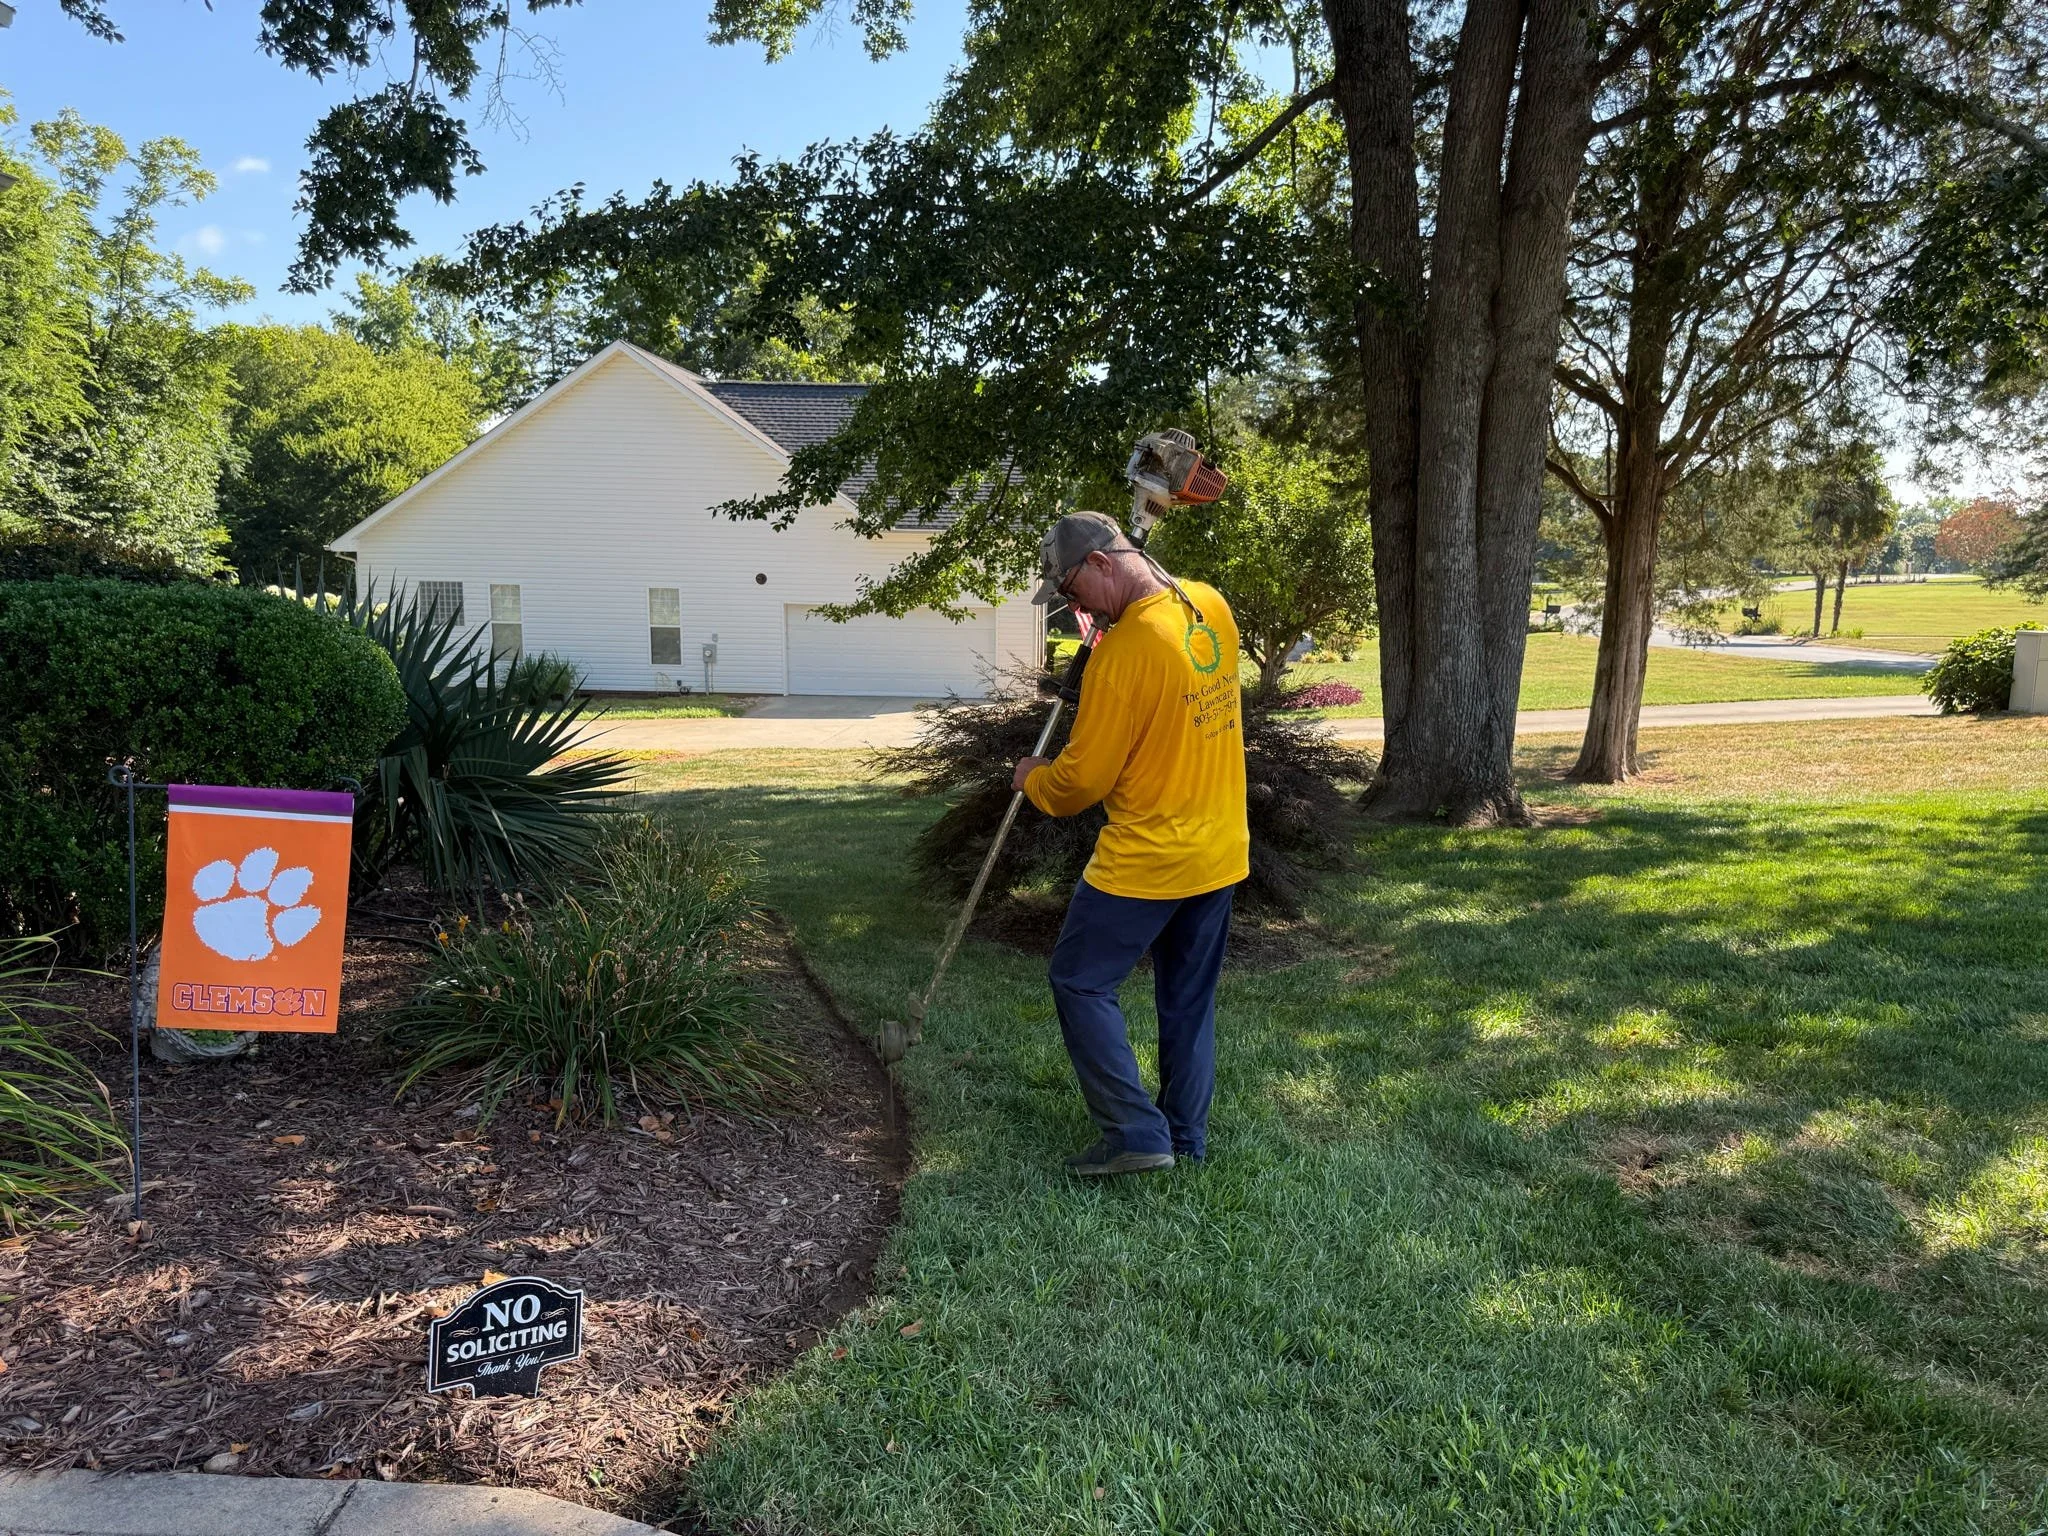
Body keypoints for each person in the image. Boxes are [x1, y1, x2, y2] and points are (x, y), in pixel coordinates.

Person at [1014, 510, 1248, 1177]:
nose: (1069, 604)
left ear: (1100, 564)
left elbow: (1079, 784)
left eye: (1068, 588)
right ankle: (1184, 1137)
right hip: (1220, 848)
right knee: (1187, 997)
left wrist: (1033, 778)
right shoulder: (1208, 606)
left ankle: (1136, 1135)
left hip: (1147, 861)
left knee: (1080, 982)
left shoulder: (1120, 657)